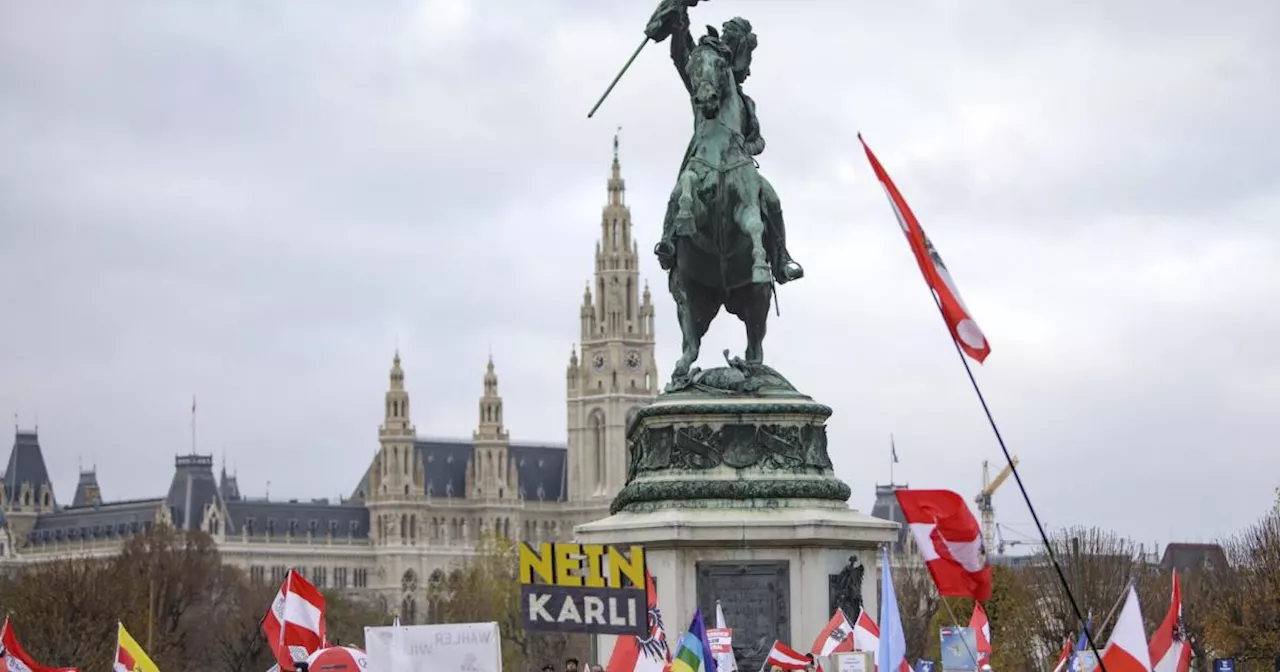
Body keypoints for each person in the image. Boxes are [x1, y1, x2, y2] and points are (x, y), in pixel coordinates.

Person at [645, 0, 804, 285]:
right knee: (679, 192)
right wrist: (679, 17)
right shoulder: (703, 86)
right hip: (703, 156)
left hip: (738, 164)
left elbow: (758, 140)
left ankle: (781, 259)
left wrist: (745, 148)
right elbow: (682, 51)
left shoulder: (745, 104)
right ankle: (668, 242)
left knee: (772, 200)